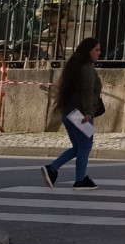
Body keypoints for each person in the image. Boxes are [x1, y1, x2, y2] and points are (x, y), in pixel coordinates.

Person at [41, 37, 104, 189]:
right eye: (96, 50)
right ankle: (80, 180)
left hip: (68, 112)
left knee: (78, 147)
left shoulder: (73, 65)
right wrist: (88, 113)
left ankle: (52, 169)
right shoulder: (87, 68)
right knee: (86, 146)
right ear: (88, 51)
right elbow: (87, 91)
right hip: (81, 115)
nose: (99, 53)